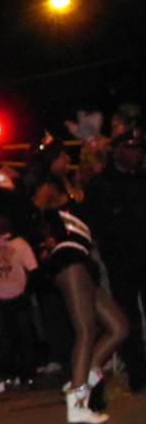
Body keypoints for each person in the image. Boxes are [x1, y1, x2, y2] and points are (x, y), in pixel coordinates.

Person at [26, 139, 128, 424]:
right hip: (67, 258)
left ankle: (83, 377)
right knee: (85, 329)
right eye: (61, 156)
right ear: (51, 161)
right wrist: (45, 234)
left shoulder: (73, 188)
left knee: (119, 326)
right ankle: (77, 402)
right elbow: (32, 210)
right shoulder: (50, 188)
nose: (66, 160)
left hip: (84, 260)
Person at [84, 129, 146, 393]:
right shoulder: (101, 184)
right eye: (130, 149)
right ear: (118, 152)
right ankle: (138, 371)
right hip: (121, 259)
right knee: (127, 316)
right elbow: (95, 223)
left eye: (139, 150)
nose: (136, 154)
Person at [0, 215, 39, 388]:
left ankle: (28, 375)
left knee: (24, 338)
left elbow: (33, 270)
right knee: (3, 340)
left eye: (1, 221)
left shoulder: (20, 244)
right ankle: (10, 375)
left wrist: (26, 292)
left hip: (18, 297)